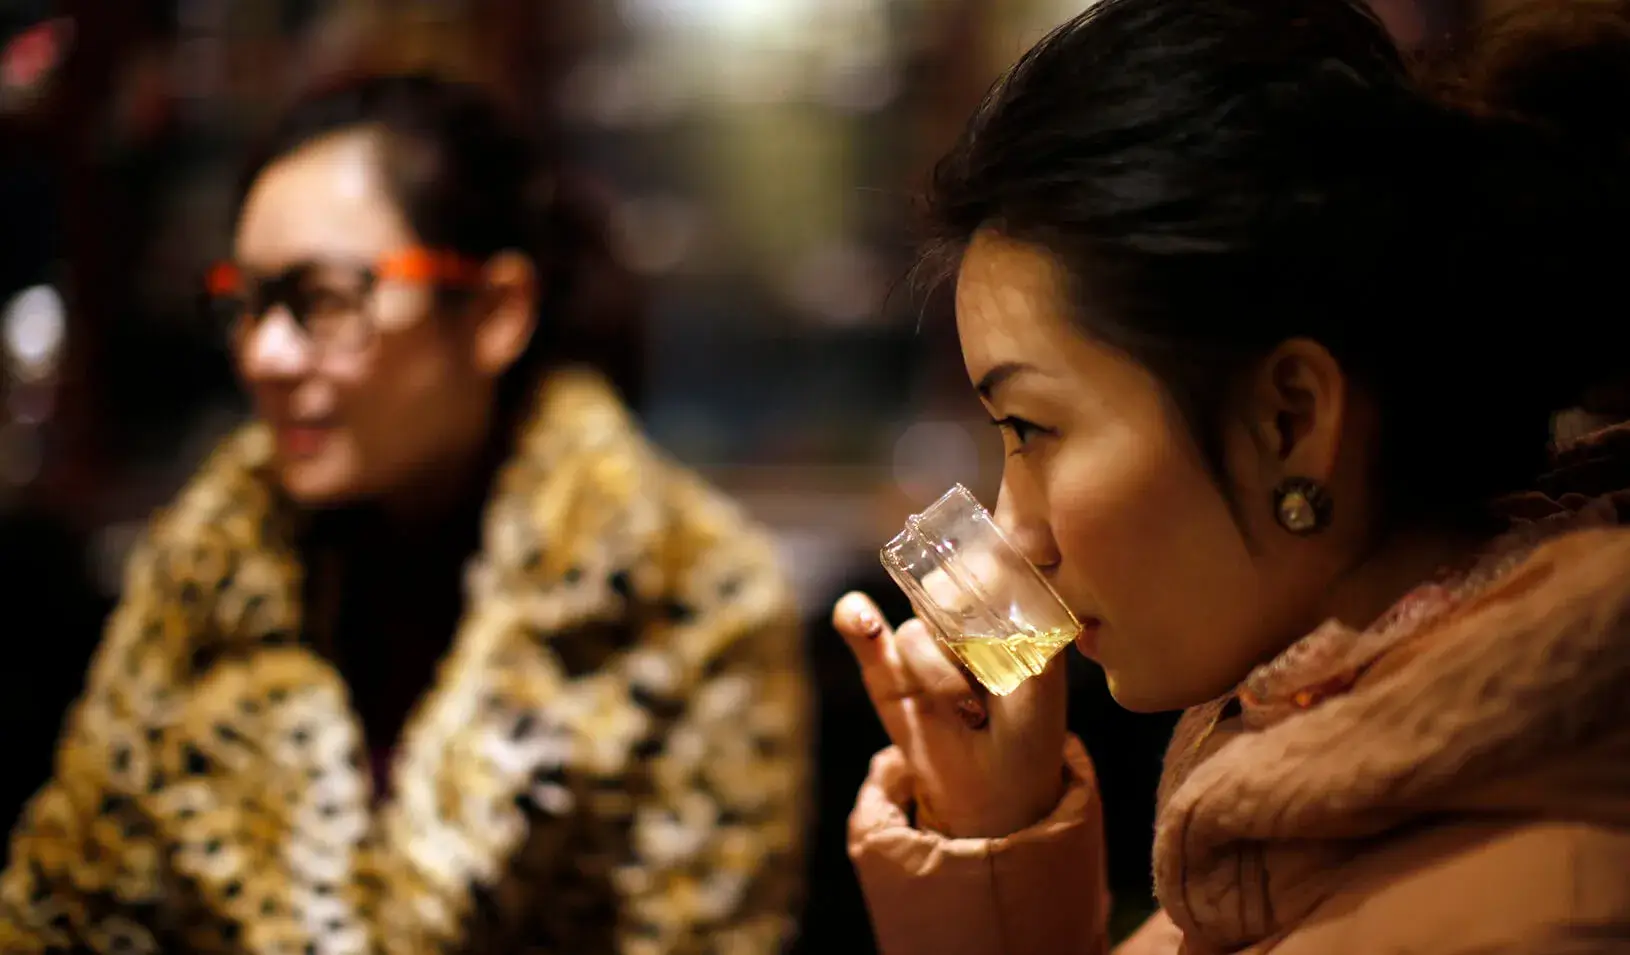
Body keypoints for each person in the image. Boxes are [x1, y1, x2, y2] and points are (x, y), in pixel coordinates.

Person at [831, 0, 1630, 952]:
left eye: (1033, 428)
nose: (1019, 533)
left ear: (1290, 420)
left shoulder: (1534, 904)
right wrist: (995, 830)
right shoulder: (1310, 805)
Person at [0, 73, 811, 955]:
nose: (265, 355)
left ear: (498, 311)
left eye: (324, 301)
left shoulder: (686, 597)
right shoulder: (203, 581)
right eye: (247, 303)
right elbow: (62, 915)